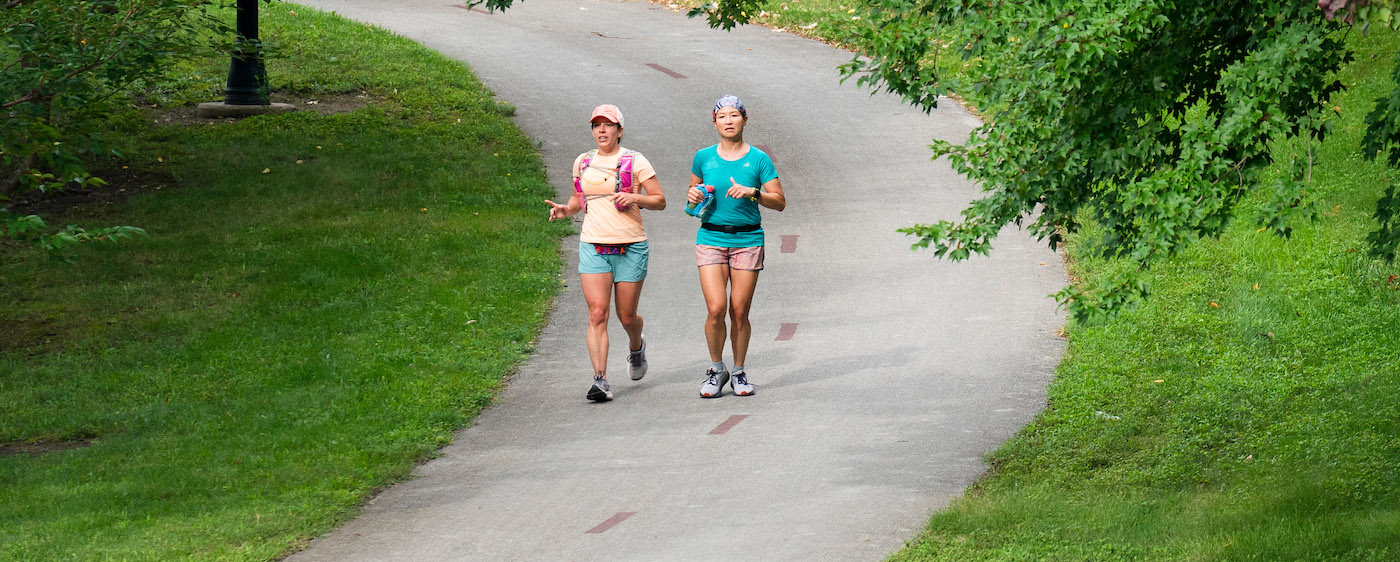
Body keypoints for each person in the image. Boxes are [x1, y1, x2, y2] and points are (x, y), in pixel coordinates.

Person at [546, 104, 666, 402]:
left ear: (619, 131)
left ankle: (636, 347)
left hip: (630, 245)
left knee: (626, 317)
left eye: (608, 125)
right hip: (593, 245)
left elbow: (659, 200)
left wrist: (635, 196)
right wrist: (566, 210)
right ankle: (600, 379)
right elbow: (578, 198)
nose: (601, 130)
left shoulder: (635, 161)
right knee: (597, 313)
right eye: (596, 125)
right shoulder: (583, 162)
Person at [685, 95, 786, 398]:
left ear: (745, 119)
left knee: (739, 311)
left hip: (747, 240)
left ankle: (739, 372)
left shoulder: (758, 159)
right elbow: (692, 201)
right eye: (722, 116)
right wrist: (693, 199)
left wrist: (753, 192)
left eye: (734, 115)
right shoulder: (703, 157)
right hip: (711, 238)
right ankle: (716, 369)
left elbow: (779, 202)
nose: (728, 121)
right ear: (713, 121)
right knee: (716, 309)